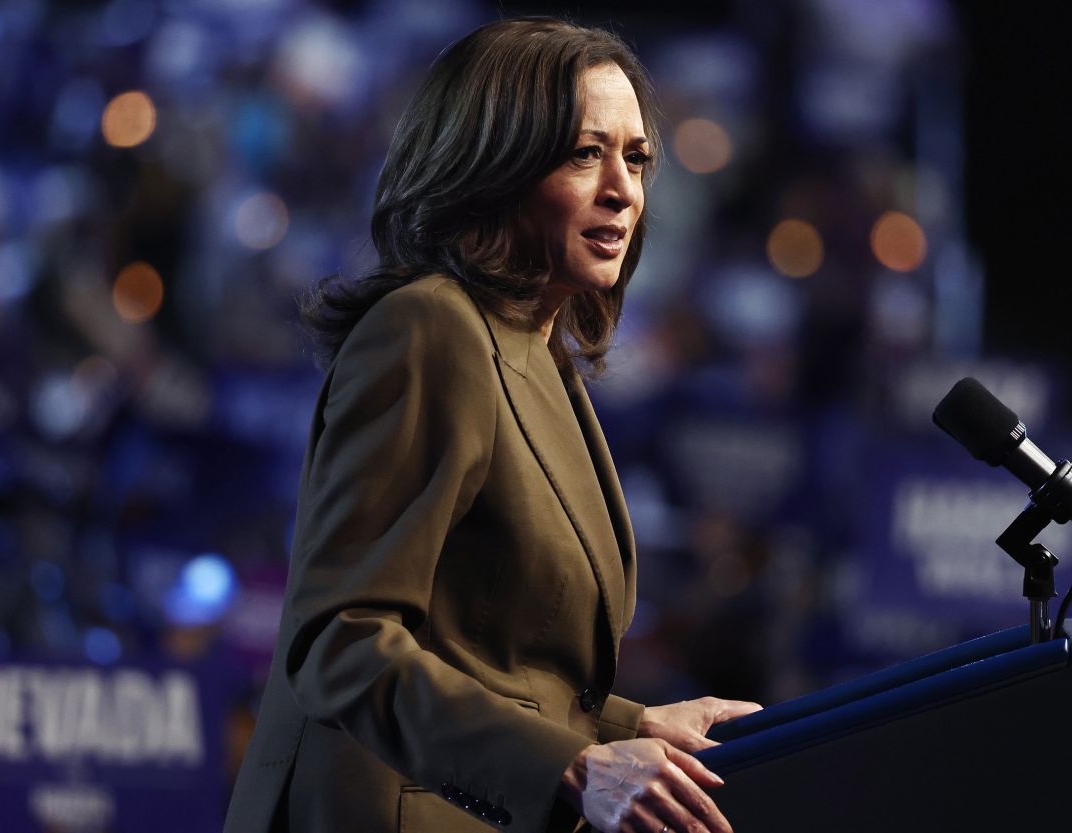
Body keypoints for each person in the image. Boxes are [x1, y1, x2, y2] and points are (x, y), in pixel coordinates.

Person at [224, 18, 761, 833]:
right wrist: (572, 765)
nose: (622, 188)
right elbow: (340, 640)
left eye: (637, 158)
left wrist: (628, 728)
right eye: (586, 153)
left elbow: (489, 653)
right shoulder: (429, 328)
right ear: (496, 165)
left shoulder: (539, 353)